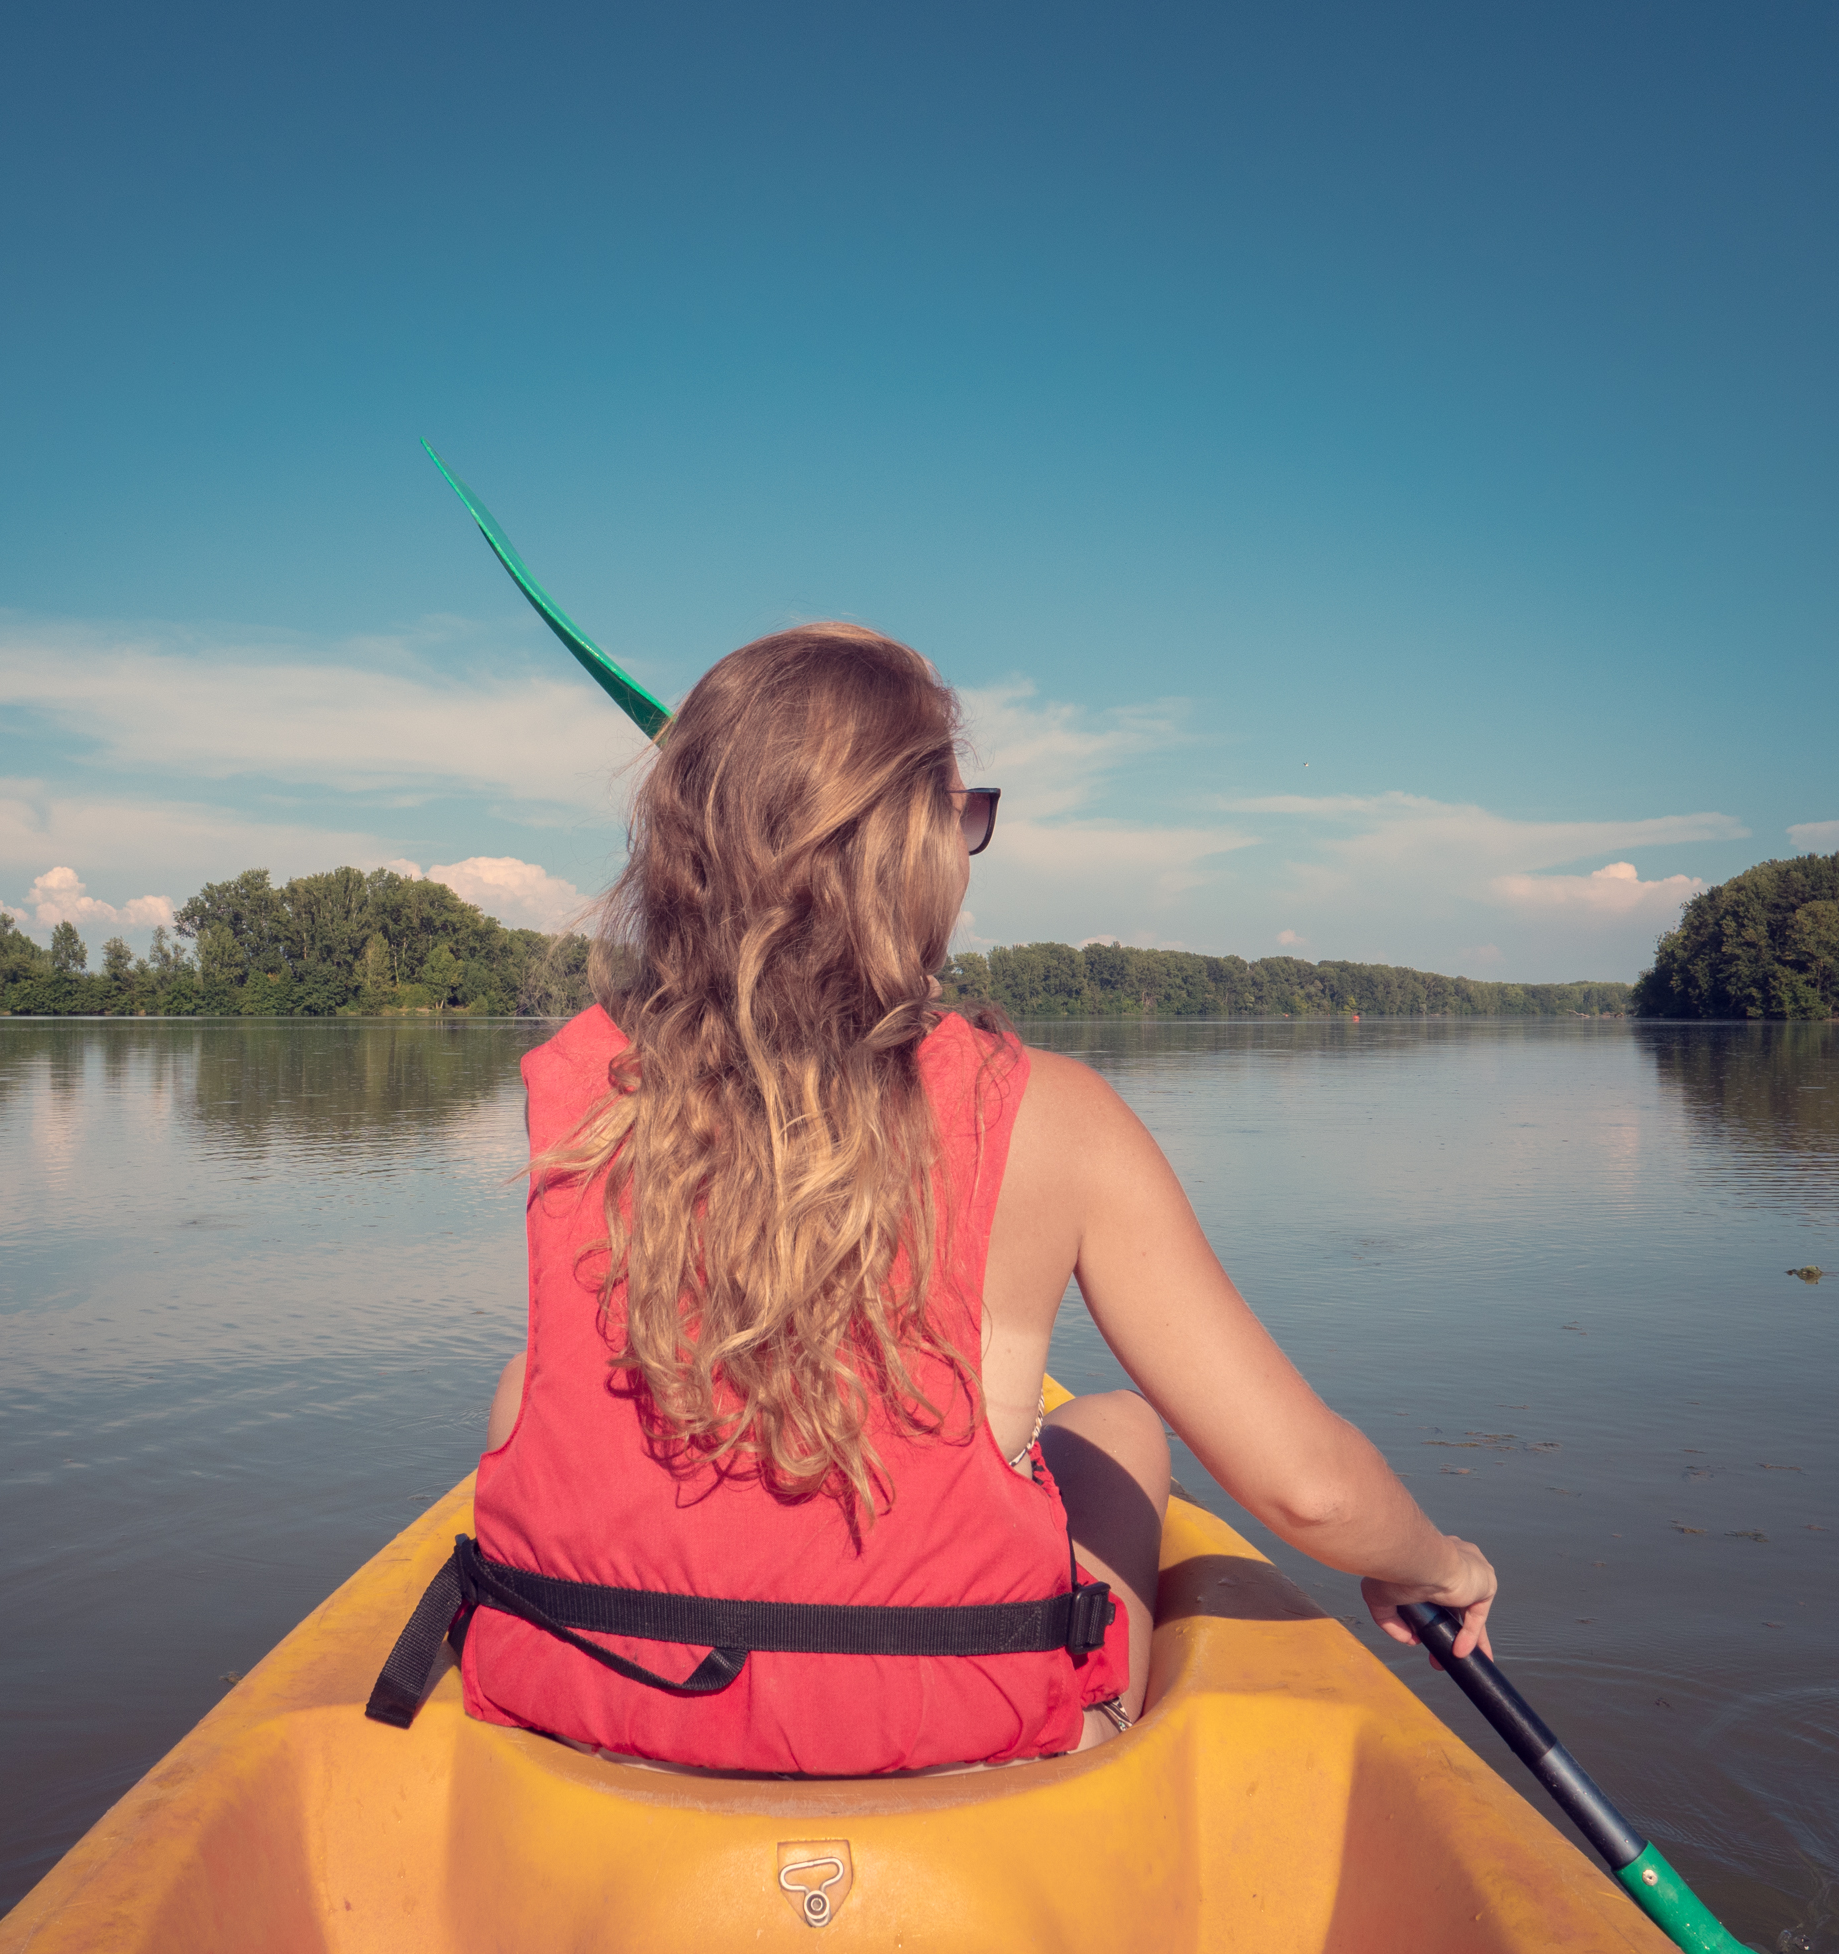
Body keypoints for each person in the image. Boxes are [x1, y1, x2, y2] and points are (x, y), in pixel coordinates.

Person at [458, 622, 1496, 1775]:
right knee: (1119, 1423)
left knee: (522, 1385)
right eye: (962, 814)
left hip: (601, 1687)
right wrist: (1437, 1562)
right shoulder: (1054, 1115)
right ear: (915, 846)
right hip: (942, 1722)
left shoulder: (582, 1085)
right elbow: (1305, 1487)